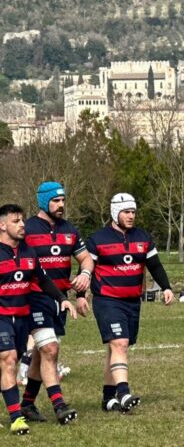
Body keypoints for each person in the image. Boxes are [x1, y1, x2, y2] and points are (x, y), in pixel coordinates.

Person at [85, 193, 175, 413]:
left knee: (116, 348)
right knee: (120, 343)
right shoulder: (98, 239)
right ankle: (124, 393)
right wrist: (80, 295)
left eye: (133, 212)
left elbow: (154, 265)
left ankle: (108, 398)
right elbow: (85, 269)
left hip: (132, 302)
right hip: (107, 300)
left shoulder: (143, 237)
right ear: (115, 213)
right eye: (126, 212)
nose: (131, 216)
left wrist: (167, 287)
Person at [20, 182, 94, 425]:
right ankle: (59, 406)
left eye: (63, 200)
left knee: (43, 355)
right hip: (33, 297)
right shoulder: (27, 228)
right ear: (43, 201)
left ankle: (27, 404)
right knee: (50, 349)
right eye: (55, 200)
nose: (61, 205)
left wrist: (85, 276)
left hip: (60, 301)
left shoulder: (70, 229)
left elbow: (85, 258)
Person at [0, 203, 76, 436]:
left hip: (22, 317)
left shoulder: (28, 252)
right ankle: (16, 418)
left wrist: (62, 298)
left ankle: (26, 404)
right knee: (9, 359)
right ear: (2, 225)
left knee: (23, 358)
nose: (22, 225)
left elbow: (43, 281)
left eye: (22, 220)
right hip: (2, 317)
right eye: (16, 221)